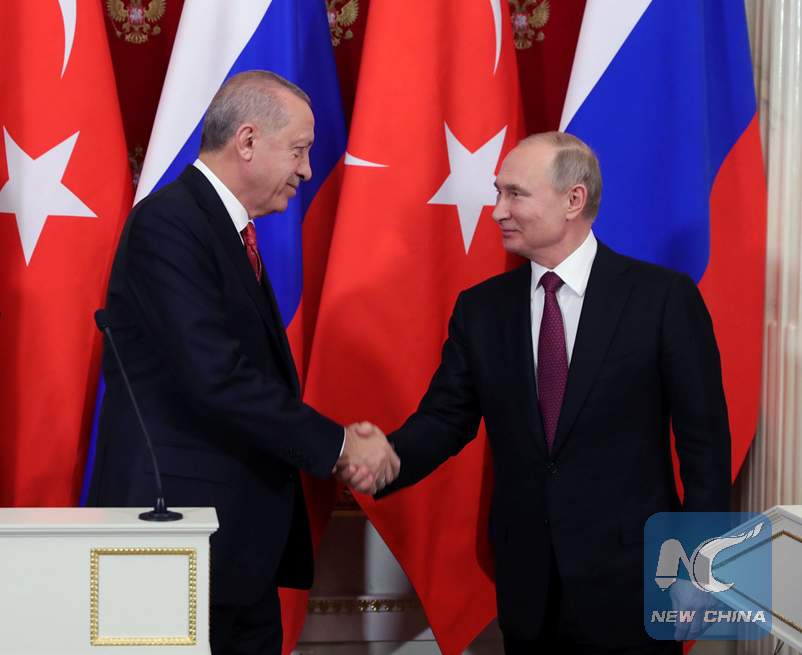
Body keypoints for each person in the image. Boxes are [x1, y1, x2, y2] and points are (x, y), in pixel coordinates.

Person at [372, 132, 731, 653]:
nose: (498, 210)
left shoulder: (661, 298)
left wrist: (702, 567)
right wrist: (378, 459)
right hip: (529, 591)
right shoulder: (482, 309)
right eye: (498, 193)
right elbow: (445, 419)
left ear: (573, 200)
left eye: (515, 194)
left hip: (634, 585)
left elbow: (705, 447)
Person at [86, 70, 399, 655]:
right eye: (299, 150)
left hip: (234, 549)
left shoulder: (225, 231)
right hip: (177, 540)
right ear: (247, 141)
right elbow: (217, 376)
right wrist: (338, 446)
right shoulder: (169, 223)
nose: (308, 170)